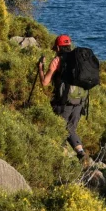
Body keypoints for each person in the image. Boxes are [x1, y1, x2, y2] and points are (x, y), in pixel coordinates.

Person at [38, 34, 89, 164]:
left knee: (60, 129)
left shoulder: (57, 60)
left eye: (56, 48)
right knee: (70, 129)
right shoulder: (77, 60)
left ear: (58, 47)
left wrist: (40, 68)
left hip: (64, 102)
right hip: (80, 102)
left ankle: (65, 158)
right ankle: (80, 154)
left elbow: (45, 82)